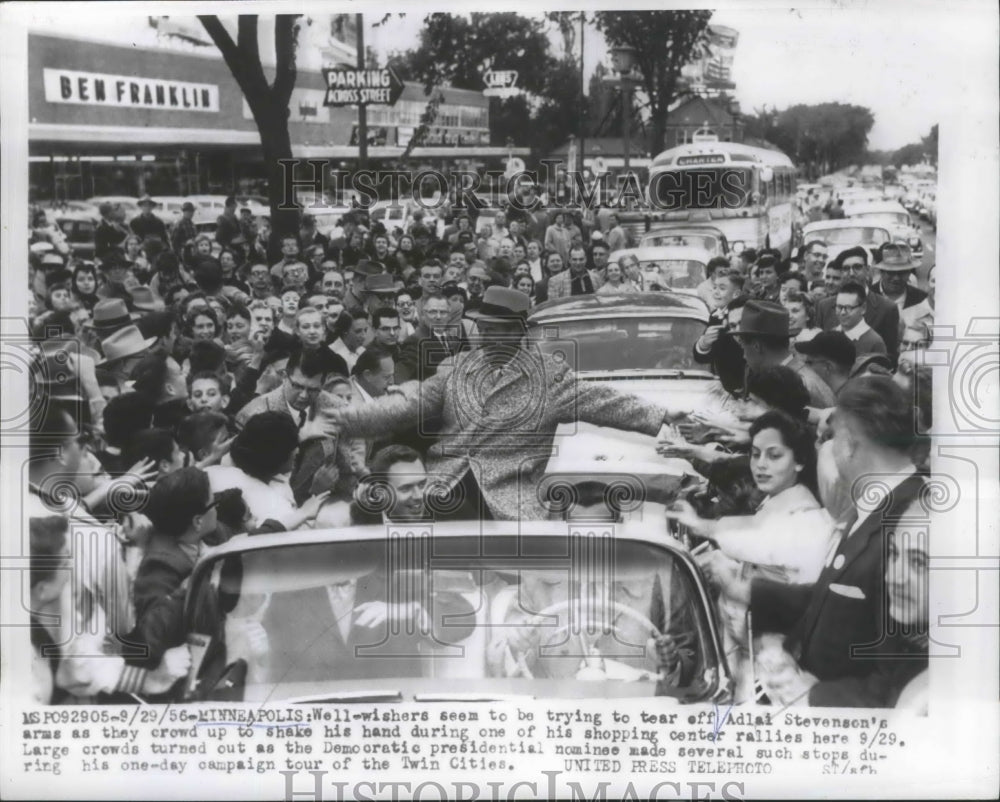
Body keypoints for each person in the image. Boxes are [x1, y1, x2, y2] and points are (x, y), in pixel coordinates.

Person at [325, 287, 686, 520]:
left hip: (510, 500)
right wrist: (341, 419)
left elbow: (605, 402)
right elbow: (406, 405)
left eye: (499, 331)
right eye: (483, 330)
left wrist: (662, 414)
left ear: (520, 332)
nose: (487, 339)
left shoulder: (550, 378)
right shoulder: (457, 368)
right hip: (443, 488)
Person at [748, 376, 926, 705]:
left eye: (829, 438)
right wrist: (750, 593)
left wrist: (813, 696)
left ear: (848, 443)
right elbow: (834, 599)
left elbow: (906, 678)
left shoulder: (914, 520)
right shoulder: (873, 504)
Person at [665, 410, 835, 701]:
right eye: (755, 455)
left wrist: (702, 528)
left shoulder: (807, 517)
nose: (761, 465)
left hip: (777, 666)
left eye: (774, 455)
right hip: (746, 651)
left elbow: (760, 541)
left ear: (800, 461)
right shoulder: (775, 503)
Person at [29, 515, 190, 703]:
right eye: (66, 562)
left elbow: (75, 660)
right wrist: (153, 680)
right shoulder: (28, 683)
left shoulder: (37, 599)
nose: (73, 567)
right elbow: (78, 666)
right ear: (43, 589)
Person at [732, 300, 836, 409]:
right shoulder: (792, 375)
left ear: (757, 346)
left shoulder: (796, 385)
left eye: (744, 348)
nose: (744, 356)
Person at [815, 248, 899, 358]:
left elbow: (890, 356)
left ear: (868, 270)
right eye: (846, 269)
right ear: (841, 273)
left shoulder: (887, 308)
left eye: (857, 267)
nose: (851, 273)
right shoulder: (824, 306)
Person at [396, 293, 469, 383]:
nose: (438, 317)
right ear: (423, 315)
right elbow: (401, 377)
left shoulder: (454, 340)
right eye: (432, 312)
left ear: (449, 316)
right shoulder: (415, 341)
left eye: (443, 312)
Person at [834, 281, 888, 357]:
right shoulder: (830, 334)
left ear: (863, 308)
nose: (842, 312)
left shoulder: (875, 342)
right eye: (839, 307)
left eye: (848, 308)